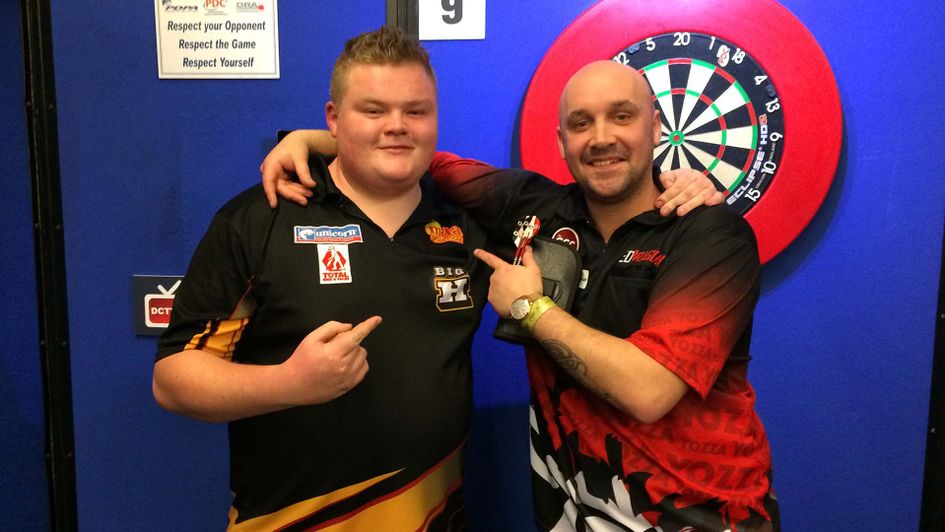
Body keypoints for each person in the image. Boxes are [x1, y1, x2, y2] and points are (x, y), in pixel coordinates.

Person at [261, 60, 778, 531]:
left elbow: (649, 391)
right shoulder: (537, 209)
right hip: (571, 513)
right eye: (581, 123)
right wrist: (315, 138)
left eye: (622, 117)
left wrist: (531, 309)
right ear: (560, 141)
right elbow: (424, 160)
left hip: (699, 516)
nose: (601, 138)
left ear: (656, 128)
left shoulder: (709, 234)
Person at [153, 27, 493, 530]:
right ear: (333, 118)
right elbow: (173, 381)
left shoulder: (470, 226)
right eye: (373, 110)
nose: (396, 126)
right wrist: (288, 383)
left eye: (416, 111)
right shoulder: (261, 218)